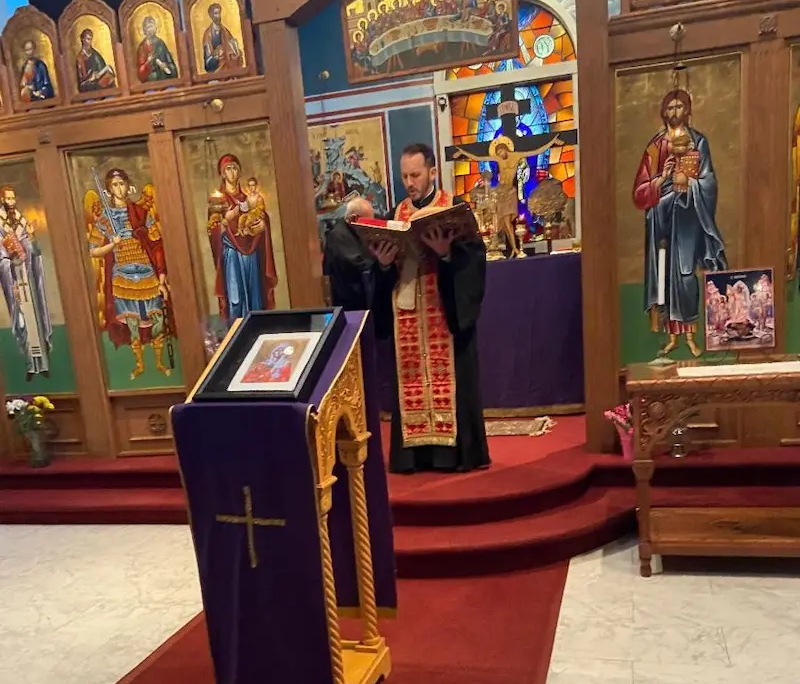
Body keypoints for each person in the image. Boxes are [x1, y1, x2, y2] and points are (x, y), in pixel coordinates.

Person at [371, 142, 490, 474]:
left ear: (433, 172)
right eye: (405, 175)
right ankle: (415, 456)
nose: (410, 182)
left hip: (444, 312)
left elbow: (474, 261)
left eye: (416, 174)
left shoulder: (452, 207)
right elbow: (382, 274)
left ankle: (453, 455)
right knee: (411, 384)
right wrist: (381, 264)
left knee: (449, 381)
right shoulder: (396, 216)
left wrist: (447, 254)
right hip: (407, 314)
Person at [632, 88, 727, 357]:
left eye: (679, 107)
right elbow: (640, 191)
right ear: (664, 112)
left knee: (686, 275)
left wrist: (692, 183)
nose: (674, 112)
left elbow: (709, 182)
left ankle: (691, 335)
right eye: (670, 108)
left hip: (688, 218)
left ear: (687, 110)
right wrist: (662, 179)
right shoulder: (655, 146)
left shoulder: (699, 142)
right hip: (662, 219)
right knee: (665, 276)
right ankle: (672, 336)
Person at [323, 197, 377, 311]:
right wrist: (379, 260)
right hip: (347, 300)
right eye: (368, 222)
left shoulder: (353, 231)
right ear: (354, 218)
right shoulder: (339, 235)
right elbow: (357, 262)